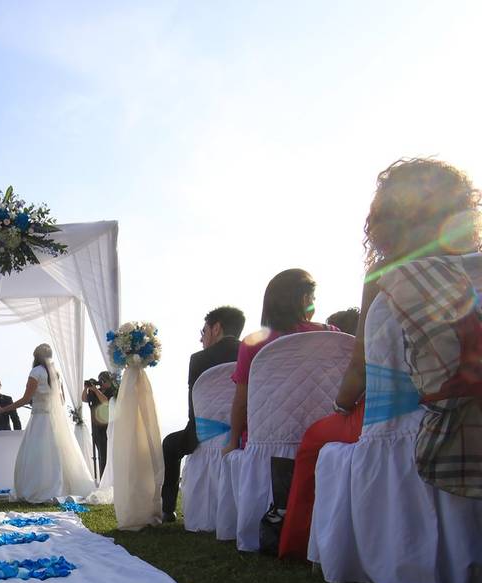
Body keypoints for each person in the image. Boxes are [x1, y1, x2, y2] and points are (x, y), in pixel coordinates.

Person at [278, 158, 482, 560]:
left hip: (402, 424)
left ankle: (291, 538)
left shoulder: (385, 277)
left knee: (315, 438)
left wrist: (339, 405)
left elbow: (360, 369)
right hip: (472, 412)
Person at [223, 269, 338, 456]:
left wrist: (233, 441)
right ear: (304, 300)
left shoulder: (253, 343)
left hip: (267, 446)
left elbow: (241, 402)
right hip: (325, 442)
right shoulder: (332, 334)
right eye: (313, 299)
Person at [161, 305, 245, 522]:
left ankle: (168, 509)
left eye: (203, 332)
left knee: (170, 444)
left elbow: (194, 409)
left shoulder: (199, 359)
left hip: (204, 434)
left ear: (216, 328)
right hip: (245, 432)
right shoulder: (253, 354)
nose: (202, 339)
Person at [1, 344, 96, 503]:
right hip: (54, 420)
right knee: (56, 453)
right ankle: (61, 486)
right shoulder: (56, 373)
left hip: (39, 420)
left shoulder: (36, 372)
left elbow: (25, 399)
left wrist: (4, 409)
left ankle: (39, 488)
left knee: (36, 455)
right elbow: (62, 400)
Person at [82, 371, 115, 478]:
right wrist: (86, 388)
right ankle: (101, 479)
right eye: (101, 380)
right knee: (100, 456)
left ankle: (104, 479)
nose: (102, 382)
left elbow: (106, 402)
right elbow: (84, 399)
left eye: (104, 380)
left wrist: (95, 390)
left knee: (105, 456)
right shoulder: (97, 391)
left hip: (106, 427)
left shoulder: (112, 392)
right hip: (96, 427)